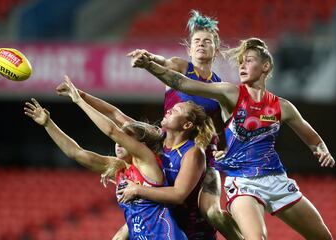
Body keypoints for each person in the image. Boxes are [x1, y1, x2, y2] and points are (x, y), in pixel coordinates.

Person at [133, 37, 335, 240]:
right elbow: (184, 84)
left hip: (277, 180)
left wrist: (321, 149)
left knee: (323, 237)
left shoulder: (283, 107)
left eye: (249, 60)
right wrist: (149, 65)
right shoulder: (230, 93)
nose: (242, 65)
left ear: (265, 66)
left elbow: (313, 138)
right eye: (241, 62)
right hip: (243, 182)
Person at [55, 77, 219, 239]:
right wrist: (81, 95)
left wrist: (138, 189)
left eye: (176, 111)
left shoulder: (193, 153)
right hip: (159, 217)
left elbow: (178, 195)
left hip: (190, 228)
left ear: (187, 125)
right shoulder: (155, 138)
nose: (168, 110)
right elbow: (114, 113)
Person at [127, 10, 242, 240]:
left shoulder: (220, 86)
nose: (201, 44)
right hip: (169, 154)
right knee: (145, 210)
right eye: (197, 41)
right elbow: (164, 62)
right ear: (189, 48)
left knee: (212, 212)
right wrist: (148, 58)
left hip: (203, 158)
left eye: (207, 41)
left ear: (215, 50)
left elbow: (222, 124)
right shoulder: (180, 67)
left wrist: (225, 148)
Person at [23, 93, 187, 239]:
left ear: (141, 145)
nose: (118, 142)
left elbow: (111, 130)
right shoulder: (120, 170)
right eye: (120, 138)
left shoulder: (148, 163)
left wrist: (80, 101)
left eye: (126, 138)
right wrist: (48, 124)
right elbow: (77, 153)